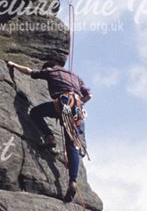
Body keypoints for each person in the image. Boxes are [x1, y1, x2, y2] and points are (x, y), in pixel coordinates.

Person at [7, 58, 91, 202]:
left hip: (64, 104)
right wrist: (77, 102)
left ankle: (49, 137)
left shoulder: (52, 71)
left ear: (49, 67)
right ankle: (73, 182)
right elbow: (89, 95)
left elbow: (29, 71)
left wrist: (13, 64)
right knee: (72, 145)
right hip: (78, 110)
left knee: (35, 112)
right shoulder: (76, 77)